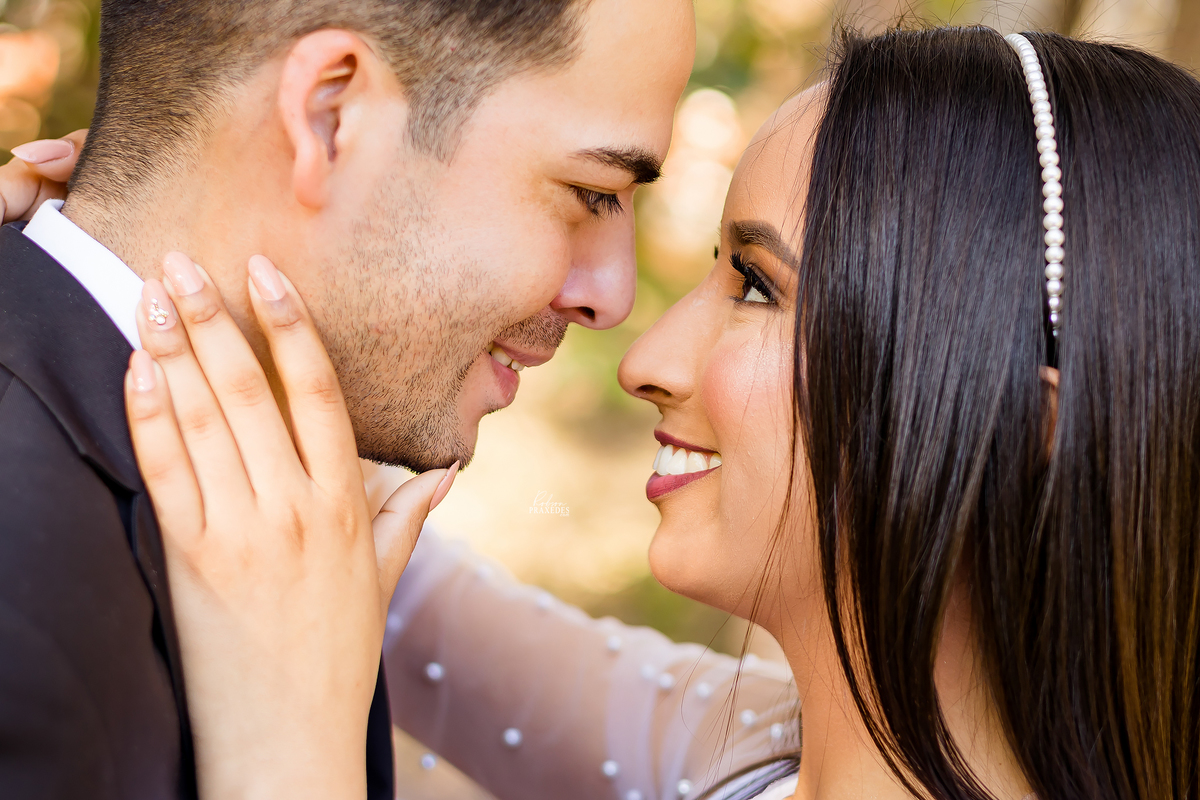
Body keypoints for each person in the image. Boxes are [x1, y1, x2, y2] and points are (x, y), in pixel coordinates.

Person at [9, 22, 1200, 800]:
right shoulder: (744, 754)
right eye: (585, 192)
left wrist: (292, 765)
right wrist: (139, 255)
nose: (644, 346)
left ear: (1023, 431)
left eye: (757, 287)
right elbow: (350, 574)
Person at [0, 0, 695, 797]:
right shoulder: (22, 608)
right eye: (592, 190)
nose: (613, 295)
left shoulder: (287, 541)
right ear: (331, 116)